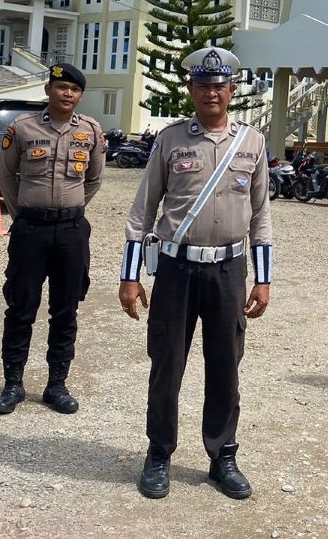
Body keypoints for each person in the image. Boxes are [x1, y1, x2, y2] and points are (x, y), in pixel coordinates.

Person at [119, 47, 273, 501]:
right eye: (202, 85)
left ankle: (222, 454)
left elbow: (261, 215)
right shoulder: (169, 140)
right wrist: (131, 277)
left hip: (230, 270)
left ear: (231, 90)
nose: (211, 92)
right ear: (191, 90)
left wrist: (262, 279)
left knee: (226, 365)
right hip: (177, 268)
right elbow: (140, 213)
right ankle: (159, 453)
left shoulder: (253, 143)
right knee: (167, 363)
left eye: (219, 85)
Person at [0, 62, 105, 416]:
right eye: (61, 87)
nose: (67, 94)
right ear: (48, 90)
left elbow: (94, 179)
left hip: (71, 231)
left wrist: (68, 208)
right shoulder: (21, 128)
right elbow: (7, 176)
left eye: (74, 89)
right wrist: (23, 213)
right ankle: (13, 385)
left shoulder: (91, 131)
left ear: (80, 95)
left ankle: (57, 385)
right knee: (21, 307)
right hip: (31, 230)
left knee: (65, 309)